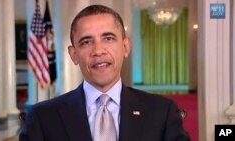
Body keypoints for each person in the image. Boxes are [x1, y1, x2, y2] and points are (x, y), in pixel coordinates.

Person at [19, 4, 189, 141]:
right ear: (74, 54)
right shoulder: (42, 118)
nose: (98, 51)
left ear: (125, 47)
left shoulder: (162, 112)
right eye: (86, 42)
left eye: (108, 38)